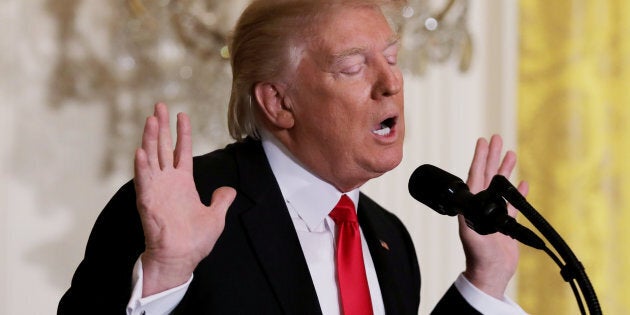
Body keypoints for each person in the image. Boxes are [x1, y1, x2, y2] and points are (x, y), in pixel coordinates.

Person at [58, 0, 529, 314]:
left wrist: (484, 281)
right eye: (353, 66)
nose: (392, 83)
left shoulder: (389, 238)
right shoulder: (179, 212)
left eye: (392, 57)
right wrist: (164, 276)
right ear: (280, 103)